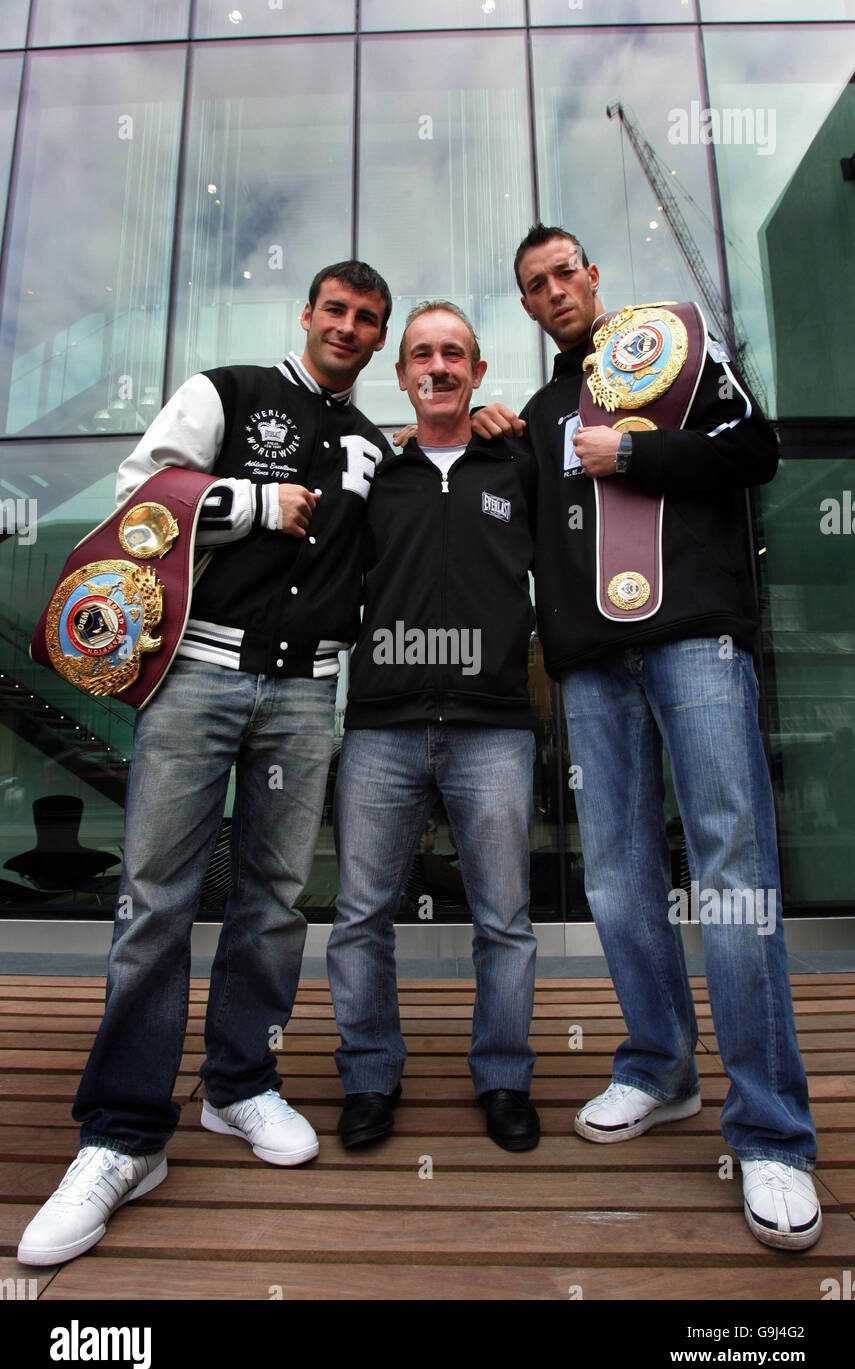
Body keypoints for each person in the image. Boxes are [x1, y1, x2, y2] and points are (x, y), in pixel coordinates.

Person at [18, 260, 393, 1267]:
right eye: (337, 311)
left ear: (378, 336)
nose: (349, 329)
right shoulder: (228, 389)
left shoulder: (370, 443)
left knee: (273, 898)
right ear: (307, 313)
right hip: (199, 674)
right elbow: (142, 494)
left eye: (368, 320)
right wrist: (251, 505)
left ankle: (237, 1084)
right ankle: (123, 1136)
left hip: (310, 690)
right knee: (155, 898)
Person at [472, 223, 820, 1250]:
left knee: (733, 868)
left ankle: (770, 1135)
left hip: (695, 644)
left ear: (592, 275)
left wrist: (637, 451)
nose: (553, 291)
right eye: (533, 285)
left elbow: (757, 452)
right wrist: (478, 429)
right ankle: (658, 1069)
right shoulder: (538, 413)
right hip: (590, 666)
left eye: (564, 272)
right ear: (530, 305)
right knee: (622, 876)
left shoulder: (678, 356)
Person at [326, 300, 541, 1153]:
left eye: (454, 354)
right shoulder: (379, 474)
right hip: (381, 724)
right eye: (422, 354)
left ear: (478, 371)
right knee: (358, 916)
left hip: (493, 727)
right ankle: (370, 1077)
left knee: (504, 920)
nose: (439, 367)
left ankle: (503, 1078)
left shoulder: (516, 465)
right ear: (402, 373)